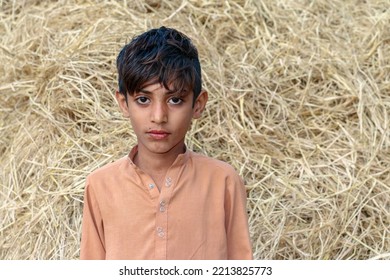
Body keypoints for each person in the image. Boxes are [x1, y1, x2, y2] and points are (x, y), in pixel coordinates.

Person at [80, 26, 253, 260]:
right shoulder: (100, 185)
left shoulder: (223, 182)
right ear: (123, 103)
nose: (159, 116)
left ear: (198, 104)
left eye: (175, 100)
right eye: (143, 100)